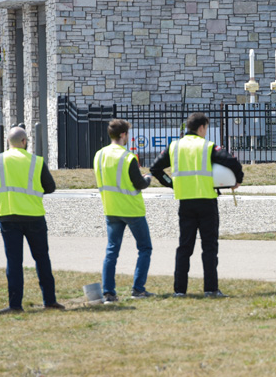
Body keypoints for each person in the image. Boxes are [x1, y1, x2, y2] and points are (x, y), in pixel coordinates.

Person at [150, 112, 244, 298]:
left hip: (185, 202)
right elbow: (232, 161)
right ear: (201, 128)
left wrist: (171, 183)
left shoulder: (174, 146)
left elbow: (155, 168)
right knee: (209, 247)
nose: (205, 132)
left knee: (184, 247)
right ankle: (210, 289)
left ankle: (179, 290)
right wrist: (237, 180)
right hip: (206, 201)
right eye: (206, 129)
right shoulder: (208, 147)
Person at [0, 126, 64, 313]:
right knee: (42, 258)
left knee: (14, 262)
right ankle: (50, 300)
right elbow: (50, 187)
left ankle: (15, 305)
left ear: (8, 143)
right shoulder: (36, 161)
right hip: (34, 216)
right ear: (24, 142)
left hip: (8, 215)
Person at [94, 119, 154, 304]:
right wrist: (148, 178)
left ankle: (108, 293)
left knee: (112, 250)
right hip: (131, 209)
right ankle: (138, 289)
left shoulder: (99, 155)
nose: (129, 137)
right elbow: (139, 183)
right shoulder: (128, 157)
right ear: (122, 135)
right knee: (145, 248)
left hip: (110, 208)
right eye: (128, 133)